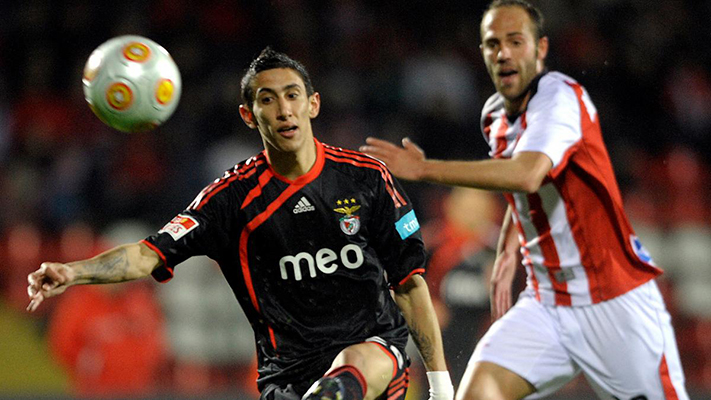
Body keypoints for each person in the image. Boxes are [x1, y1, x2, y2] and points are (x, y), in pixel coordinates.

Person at [27, 48, 454, 400]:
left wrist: (440, 385)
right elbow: (148, 252)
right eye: (268, 99)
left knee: (357, 362)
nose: (284, 109)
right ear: (249, 115)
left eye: (292, 95)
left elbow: (409, 283)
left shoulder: (367, 178)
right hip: (287, 377)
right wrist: (73, 271)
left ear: (313, 103)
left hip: (376, 360)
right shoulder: (230, 200)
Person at [359, 1, 689, 399]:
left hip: (613, 298)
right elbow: (530, 185)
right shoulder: (494, 114)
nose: (503, 53)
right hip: (546, 300)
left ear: (541, 48)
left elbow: (529, 171)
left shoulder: (560, 98)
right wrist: (508, 245)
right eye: (492, 43)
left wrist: (426, 169)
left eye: (516, 41)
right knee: (478, 394)